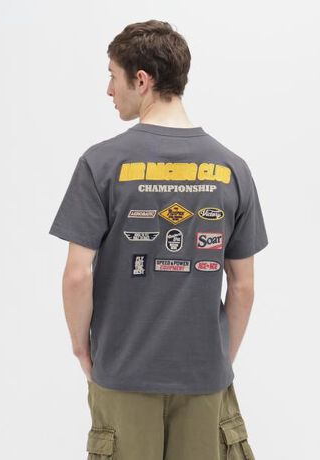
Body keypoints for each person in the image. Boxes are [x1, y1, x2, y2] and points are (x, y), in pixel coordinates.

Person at [49, 19, 268, 460]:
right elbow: (243, 286)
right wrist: (217, 361)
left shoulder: (101, 164)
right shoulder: (232, 168)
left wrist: (81, 348)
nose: (109, 90)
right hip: (204, 378)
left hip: (123, 371)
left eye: (113, 76)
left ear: (141, 80)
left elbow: (77, 275)